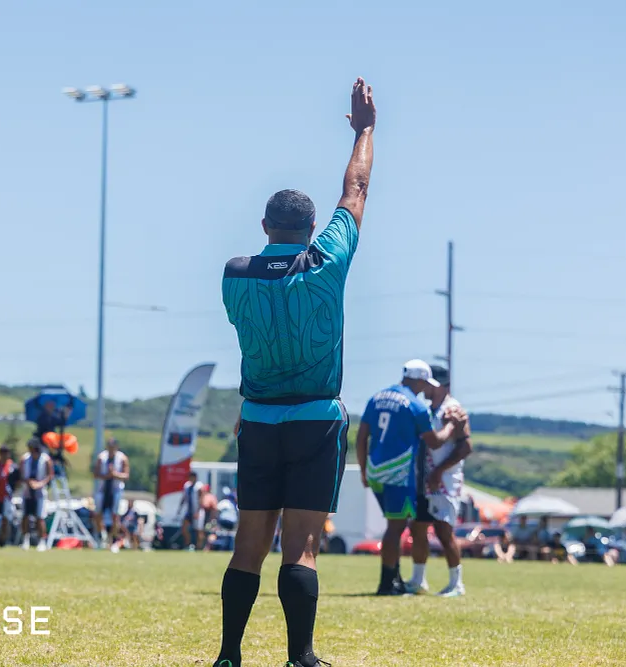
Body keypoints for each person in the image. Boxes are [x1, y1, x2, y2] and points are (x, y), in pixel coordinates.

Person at [211, 78, 376, 667]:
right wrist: (364, 130)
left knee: (248, 544)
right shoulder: (326, 262)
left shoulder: (235, 274)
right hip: (315, 418)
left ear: (264, 226)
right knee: (302, 546)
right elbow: (355, 188)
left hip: (258, 418)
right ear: (312, 229)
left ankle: (229, 655)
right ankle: (300, 656)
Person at [355, 360, 465, 596]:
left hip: (375, 470)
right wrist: (449, 426)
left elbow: (361, 436)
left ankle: (398, 579)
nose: (425, 388)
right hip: (399, 472)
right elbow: (434, 441)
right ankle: (388, 583)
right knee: (396, 527)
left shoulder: (376, 397)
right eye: (425, 383)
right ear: (419, 380)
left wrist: (364, 469)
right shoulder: (415, 405)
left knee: (399, 525)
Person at [407, 365, 473, 597]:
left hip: (444, 481)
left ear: (441, 386)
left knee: (444, 531)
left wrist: (439, 470)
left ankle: (457, 583)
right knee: (418, 528)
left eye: (429, 384)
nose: (424, 388)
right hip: (424, 480)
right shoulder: (429, 409)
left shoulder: (453, 410)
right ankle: (418, 580)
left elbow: (465, 447)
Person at [92, 437, 130, 551]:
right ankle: (101, 536)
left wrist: (115, 474)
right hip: (102, 489)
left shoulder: (122, 458)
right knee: (98, 514)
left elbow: (126, 475)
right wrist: (106, 476)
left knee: (115, 516)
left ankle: (112, 539)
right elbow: (96, 473)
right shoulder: (101, 457)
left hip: (116, 490)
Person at [20, 438, 54, 551]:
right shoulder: (25, 459)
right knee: (25, 516)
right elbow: (21, 474)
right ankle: (25, 539)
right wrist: (28, 482)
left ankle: (42, 541)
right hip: (27, 491)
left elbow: (50, 475)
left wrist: (40, 484)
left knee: (40, 517)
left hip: (40, 492)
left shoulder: (45, 459)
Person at [177, 471, 207, 551]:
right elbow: (184, 497)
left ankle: (199, 547)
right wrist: (180, 508)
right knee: (184, 528)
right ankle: (188, 544)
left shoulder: (199, 486)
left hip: (198, 510)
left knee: (198, 530)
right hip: (189, 510)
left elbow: (201, 499)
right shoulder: (187, 486)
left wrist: (197, 511)